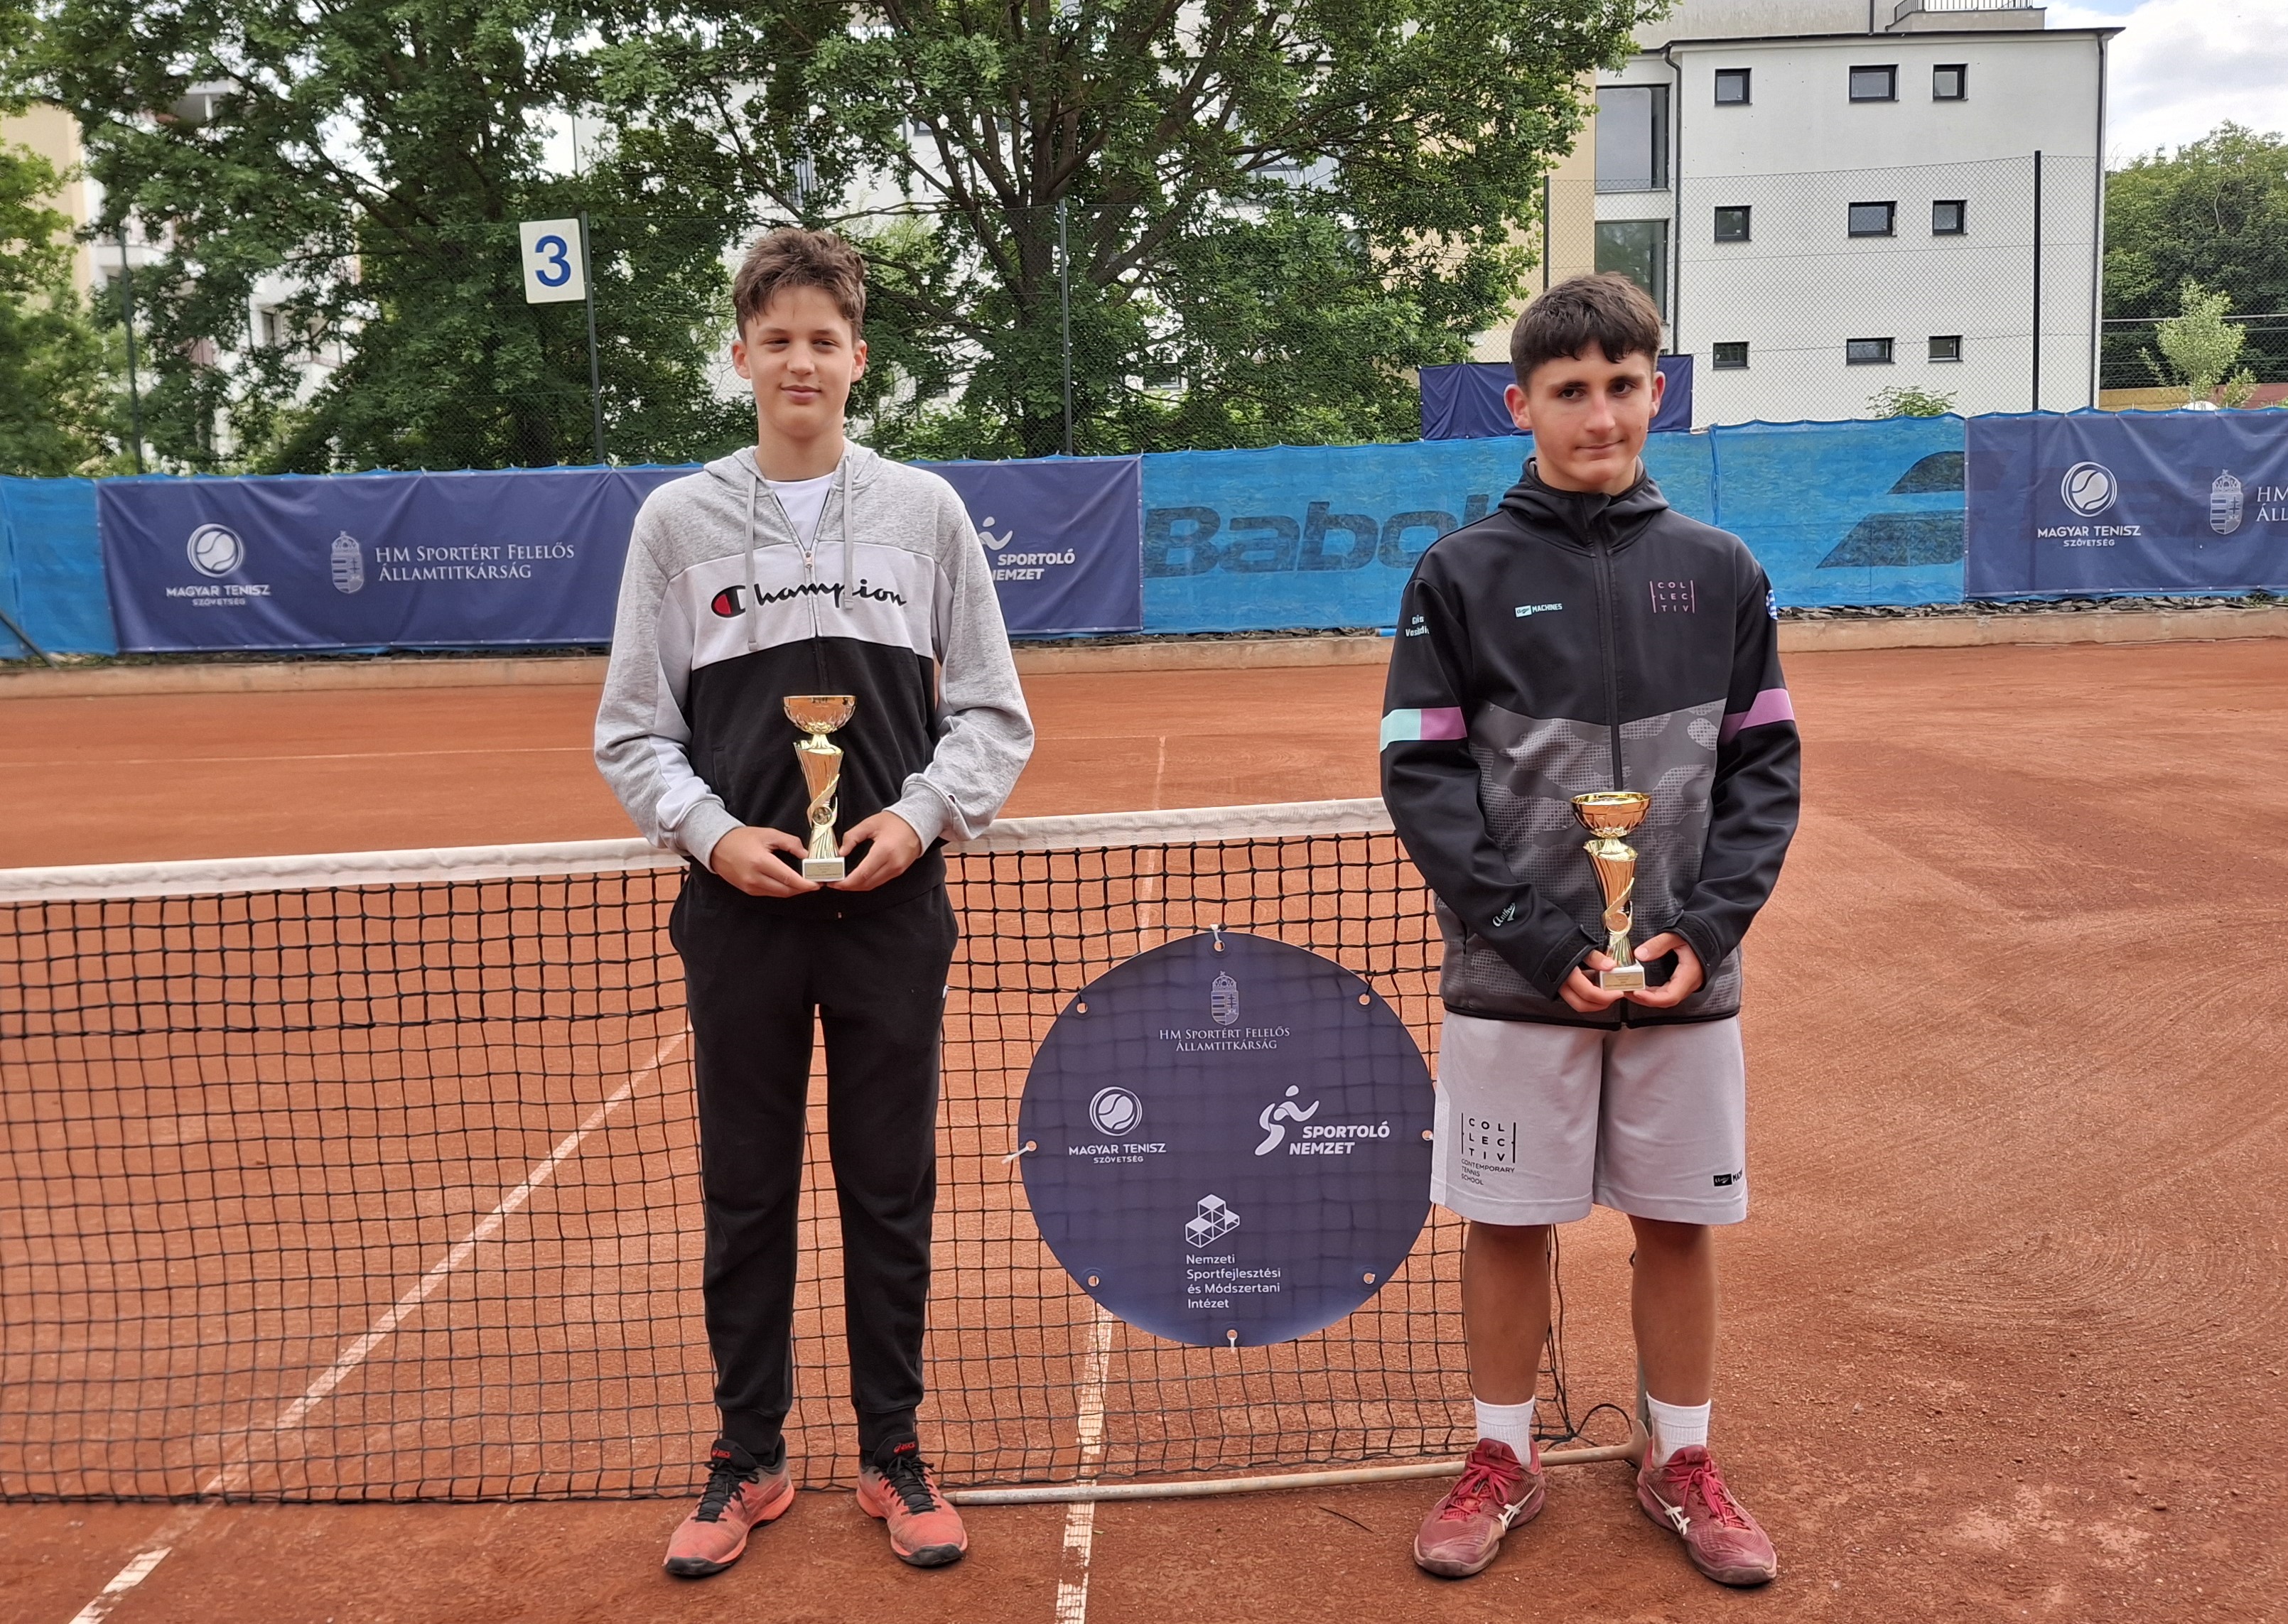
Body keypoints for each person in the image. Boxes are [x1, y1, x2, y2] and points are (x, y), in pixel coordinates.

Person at [594, 227, 1034, 1578]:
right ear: (741, 357)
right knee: (747, 1190)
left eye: (823, 340)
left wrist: (918, 814)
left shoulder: (925, 513)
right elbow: (634, 731)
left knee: (888, 1187)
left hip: (892, 913)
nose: (801, 360)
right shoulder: (675, 523)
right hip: (738, 918)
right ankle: (749, 1452)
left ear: (859, 360)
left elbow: (994, 714)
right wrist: (714, 835)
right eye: (777, 339)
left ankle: (893, 1445)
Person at [1378, 272, 1801, 1588]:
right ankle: (1502, 1455)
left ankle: (1683, 1455)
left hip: (1683, 974)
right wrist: (1537, 938)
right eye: (1570, 390)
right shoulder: (1459, 573)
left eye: (1622, 386)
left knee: (1676, 1222)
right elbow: (1422, 773)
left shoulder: (1722, 570)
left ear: (1656, 393)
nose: (1600, 414)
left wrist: (1705, 930)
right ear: (1522, 405)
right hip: (1515, 979)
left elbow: (1765, 769)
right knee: (1508, 1223)